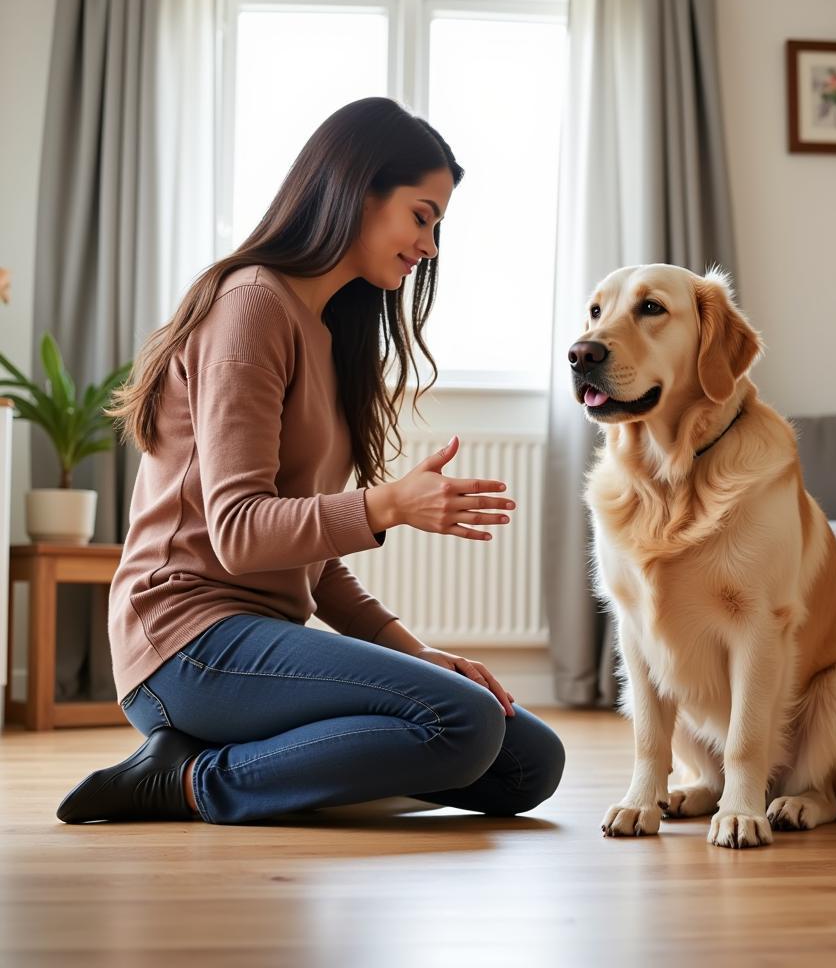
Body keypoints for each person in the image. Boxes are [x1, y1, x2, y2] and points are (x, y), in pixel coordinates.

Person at [56, 97, 566, 826]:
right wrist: (386, 506)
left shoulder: (329, 335)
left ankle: (243, 764)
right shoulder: (251, 306)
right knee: (465, 724)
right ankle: (189, 779)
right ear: (358, 190)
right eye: (421, 216)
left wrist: (417, 652)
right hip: (185, 641)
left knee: (527, 760)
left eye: (437, 226)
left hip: (259, 642)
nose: (429, 246)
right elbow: (238, 531)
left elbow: (313, 564)